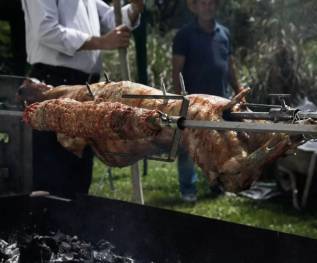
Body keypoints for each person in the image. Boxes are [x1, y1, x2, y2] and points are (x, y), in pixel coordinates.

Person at [21, 0, 144, 199]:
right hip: (52, 83)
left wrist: (136, 8)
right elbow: (46, 31)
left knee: (78, 173)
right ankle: (45, 227)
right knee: (52, 174)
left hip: (85, 88)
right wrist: (101, 42)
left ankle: (74, 227)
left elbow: (111, 19)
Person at [172, 0, 243, 202]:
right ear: (194, 7)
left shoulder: (225, 34)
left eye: (211, 3)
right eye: (203, 3)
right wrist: (180, 101)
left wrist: (238, 92)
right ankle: (188, 189)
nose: (207, 7)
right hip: (193, 102)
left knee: (220, 146)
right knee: (189, 147)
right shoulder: (184, 35)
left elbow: (230, 66)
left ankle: (218, 185)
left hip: (220, 101)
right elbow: (176, 71)